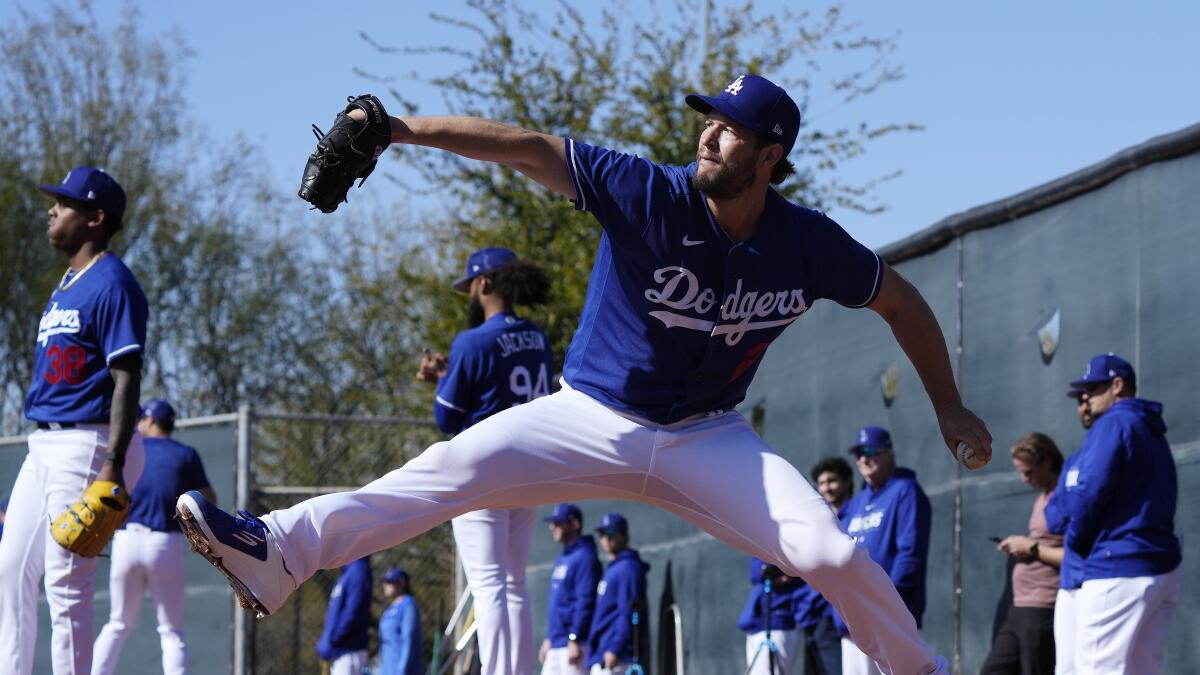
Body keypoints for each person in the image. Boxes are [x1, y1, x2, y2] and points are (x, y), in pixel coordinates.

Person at [177, 73, 994, 675]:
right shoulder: (649, 193)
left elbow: (902, 302)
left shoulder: (808, 242)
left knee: (833, 554)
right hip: (592, 414)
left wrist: (949, 405)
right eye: (708, 119)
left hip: (709, 436)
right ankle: (278, 551)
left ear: (771, 153)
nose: (709, 133)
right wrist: (398, 129)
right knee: (447, 470)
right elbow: (534, 149)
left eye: (732, 127)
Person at [0, 167, 148, 675]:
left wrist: (113, 464)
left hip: (89, 441)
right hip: (43, 443)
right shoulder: (66, 285)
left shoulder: (113, 283)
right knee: (12, 570)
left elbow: (127, 377)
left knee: (66, 585)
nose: (51, 210)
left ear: (94, 218)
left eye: (63, 204)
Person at [416, 246, 554, 675]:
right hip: (530, 469)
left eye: (471, 287)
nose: (470, 296)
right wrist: (449, 372)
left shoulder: (472, 341)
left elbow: (446, 417)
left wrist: (442, 375)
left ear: (485, 284)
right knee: (513, 583)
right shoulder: (537, 337)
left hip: (485, 471)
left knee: (488, 583)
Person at [1061, 354, 1182, 673]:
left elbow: (1090, 492)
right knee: (1142, 669)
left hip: (1118, 565)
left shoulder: (1114, 421)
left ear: (1118, 386)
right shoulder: (1150, 429)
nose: (1085, 397)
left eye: (1094, 388)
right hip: (1161, 566)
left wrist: (1076, 542)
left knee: (1095, 670)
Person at [92, 399, 216, 675]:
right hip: (164, 542)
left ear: (149, 421)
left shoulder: (130, 452)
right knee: (171, 631)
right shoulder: (185, 455)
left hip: (126, 540)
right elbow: (209, 500)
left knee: (117, 623)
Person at [838, 426, 932, 675]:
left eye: (870, 450)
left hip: (890, 615)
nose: (863, 458)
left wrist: (885, 600)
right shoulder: (855, 503)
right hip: (854, 618)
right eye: (858, 453)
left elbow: (909, 553)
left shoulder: (905, 490)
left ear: (888, 452)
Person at [979, 433, 1064, 675]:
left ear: (1047, 461)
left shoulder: (1067, 497)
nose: (1024, 479)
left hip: (1041, 608)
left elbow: (1074, 555)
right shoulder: (1043, 498)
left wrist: (1031, 548)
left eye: (1029, 472)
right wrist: (1019, 548)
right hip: (1018, 608)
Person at [1042, 387, 1089, 675]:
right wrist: (1077, 503)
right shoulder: (1075, 459)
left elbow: (1088, 506)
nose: (1084, 404)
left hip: (1098, 574)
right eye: (1080, 398)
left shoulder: (1123, 436)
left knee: (1096, 666)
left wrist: (1075, 503)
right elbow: (1055, 517)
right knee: (1066, 668)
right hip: (1070, 579)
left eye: (1091, 393)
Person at [795, 457, 855, 675]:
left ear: (847, 481)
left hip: (837, 617)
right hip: (812, 618)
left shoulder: (856, 514)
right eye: (821, 483)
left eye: (832, 481)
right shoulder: (820, 520)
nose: (826, 488)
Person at [540, 504, 601, 675]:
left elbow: (585, 600)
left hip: (574, 643)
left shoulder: (585, 557)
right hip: (556, 642)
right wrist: (549, 638)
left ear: (574, 524)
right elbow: (559, 604)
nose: (552, 527)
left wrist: (574, 637)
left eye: (558, 523)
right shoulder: (562, 557)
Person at [588, 513, 649, 675]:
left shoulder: (628, 568)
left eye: (610, 533)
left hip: (617, 658)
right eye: (602, 534)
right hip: (603, 655)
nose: (605, 539)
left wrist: (615, 648)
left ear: (623, 534)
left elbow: (627, 613)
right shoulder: (614, 568)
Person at [738, 557, 802, 675]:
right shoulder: (761, 547)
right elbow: (757, 572)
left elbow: (796, 573)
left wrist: (783, 573)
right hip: (757, 625)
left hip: (781, 625)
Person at [316, 557, 373, 675]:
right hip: (338, 651)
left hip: (348, 650)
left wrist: (333, 639)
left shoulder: (359, 570)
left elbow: (353, 611)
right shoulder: (347, 572)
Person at [378, 567, 422, 675]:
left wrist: (402, 669)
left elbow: (409, 638)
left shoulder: (408, 605)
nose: (385, 585)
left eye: (389, 582)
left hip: (401, 669)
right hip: (387, 667)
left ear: (402, 583)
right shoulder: (390, 608)